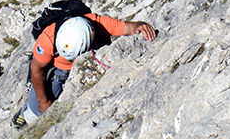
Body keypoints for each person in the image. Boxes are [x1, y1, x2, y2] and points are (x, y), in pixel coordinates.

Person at [11, 12, 157, 128]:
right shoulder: (48, 38)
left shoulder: (98, 23)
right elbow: (36, 69)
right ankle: (25, 113)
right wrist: (42, 100)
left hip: (87, 65)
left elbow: (129, 27)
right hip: (58, 71)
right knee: (36, 112)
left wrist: (141, 25)